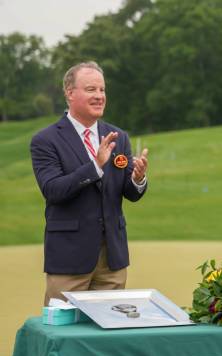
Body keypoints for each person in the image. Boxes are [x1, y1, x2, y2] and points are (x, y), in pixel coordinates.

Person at [30, 61, 149, 306]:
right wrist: (95, 166)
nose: (99, 96)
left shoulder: (118, 136)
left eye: (102, 90)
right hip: (69, 259)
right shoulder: (46, 140)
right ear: (70, 93)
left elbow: (130, 193)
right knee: (64, 334)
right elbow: (53, 190)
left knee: (109, 334)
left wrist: (138, 179)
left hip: (112, 260)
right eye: (91, 90)